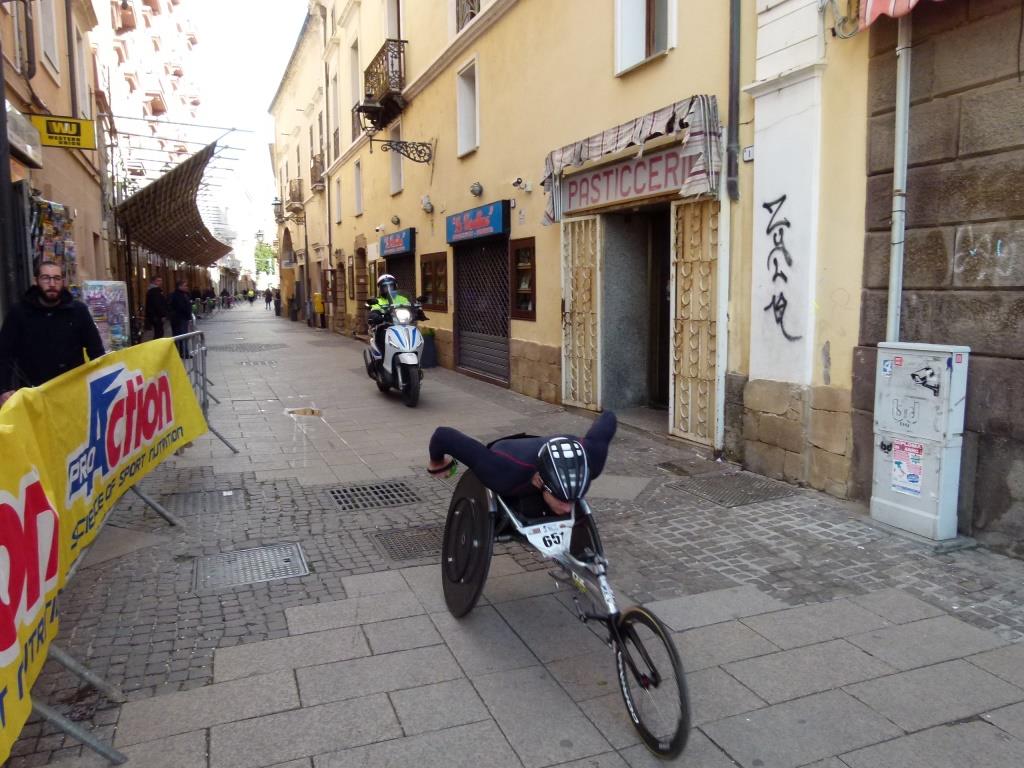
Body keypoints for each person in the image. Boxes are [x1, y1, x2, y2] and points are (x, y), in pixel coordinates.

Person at [427, 411, 617, 516]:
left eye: (573, 501)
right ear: (539, 481)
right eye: (561, 500)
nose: (568, 509)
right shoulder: (502, 473)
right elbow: (443, 436)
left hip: (552, 446)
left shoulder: (592, 458)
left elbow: (609, 418)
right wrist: (437, 462)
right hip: (509, 454)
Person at [0, 261, 105, 404]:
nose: (52, 284)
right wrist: (4, 389)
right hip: (34, 395)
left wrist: (102, 384)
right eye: (46, 278)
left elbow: (96, 351)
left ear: (63, 281)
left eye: (57, 278)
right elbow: (5, 354)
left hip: (73, 393)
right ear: (36, 280)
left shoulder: (78, 311)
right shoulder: (19, 313)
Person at [368, 273, 411, 351]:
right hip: (385, 326)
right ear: (380, 289)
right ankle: (382, 356)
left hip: (403, 325)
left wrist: (417, 310)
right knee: (382, 336)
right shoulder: (378, 301)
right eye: (385, 287)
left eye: (391, 286)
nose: (388, 289)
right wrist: (375, 315)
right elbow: (374, 310)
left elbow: (410, 307)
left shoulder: (402, 298)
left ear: (395, 286)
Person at [168, 279, 193, 357]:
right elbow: (181, 307)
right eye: (185, 286)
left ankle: (182, 352)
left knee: (182, 335)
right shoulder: (176, 295)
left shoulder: (185, 294)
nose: (186, 287)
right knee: (181, 336)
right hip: (179, 319)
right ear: (180, 286)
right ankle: (183, 353)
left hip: (183, 318)